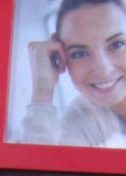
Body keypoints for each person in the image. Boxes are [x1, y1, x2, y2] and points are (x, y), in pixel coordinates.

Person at [21, 0, 126, 145]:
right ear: (61, 56)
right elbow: (35, 163)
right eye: (79, 54)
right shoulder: (79, 119)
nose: (103, 70)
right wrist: (42, 91)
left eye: (117, 44)